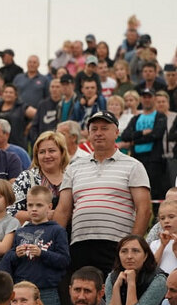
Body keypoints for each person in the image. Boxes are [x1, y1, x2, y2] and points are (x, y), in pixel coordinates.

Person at [54, 111, 151, 278]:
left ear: (116, 133)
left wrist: (131, 247)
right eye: (94, 129)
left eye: (104, 128)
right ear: (89, 134)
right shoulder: (74, 167)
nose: (98, 133)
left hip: (116, 246)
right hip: (80, 244)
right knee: (82, 296)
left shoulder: (133, 166)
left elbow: (144, 209)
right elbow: (63, 210)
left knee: (114, 297)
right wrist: (54, 244)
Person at [0, 185, 70, 305]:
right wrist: (15, 254)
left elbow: (64, 260)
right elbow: (6, 261)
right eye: (30, 205)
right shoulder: (20, 231)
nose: (34, 209)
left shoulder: (57, 230)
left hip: (47, 291)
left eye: (39, 205)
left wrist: (42, 253)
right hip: (21, 290)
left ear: (49, 207)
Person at [9, 131, 69, 223]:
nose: (47, 156)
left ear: (62, 152)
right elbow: (10, 212)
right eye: (42, 152)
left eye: (52, 151)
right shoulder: (26, 178)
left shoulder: (72, 176)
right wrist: (40, 214)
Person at [119, 88, 168, 200]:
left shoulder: (160, 116)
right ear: (141, 99)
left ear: (154, 99)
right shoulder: (136, 118)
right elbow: (125, 135)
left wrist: (133, 142)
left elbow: (156, 135)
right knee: (137, 189)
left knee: (155, 191)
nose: (147, 100)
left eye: (149, 97)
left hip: (154, 160)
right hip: (137, 159)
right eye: (144, 97)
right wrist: (142, 132)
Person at [151, 200, 177, 274]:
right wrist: (162, 246)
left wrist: (175, 251)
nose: (166, 221)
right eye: (162, 218)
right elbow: (152, 267)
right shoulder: (155, 244)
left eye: (171, 217)